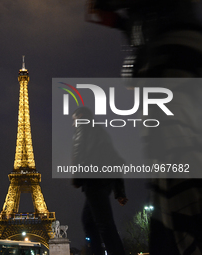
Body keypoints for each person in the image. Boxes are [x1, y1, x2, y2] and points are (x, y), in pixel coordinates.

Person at [85, 1, 202, 254]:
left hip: (169, 56)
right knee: (170, 168)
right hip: (169, 54)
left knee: (175, 167)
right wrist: (119, 23)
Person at [71, 107, 128, 255]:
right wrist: (119, 191)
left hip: (93, 181)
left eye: (74, 119)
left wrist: (77, 177)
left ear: (81, 117)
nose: (74, 124)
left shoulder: (83, 129)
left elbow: (78, 152)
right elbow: (116, 161)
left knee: (104, 224)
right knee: (89, 221)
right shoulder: (101, 133)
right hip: (105, 182)